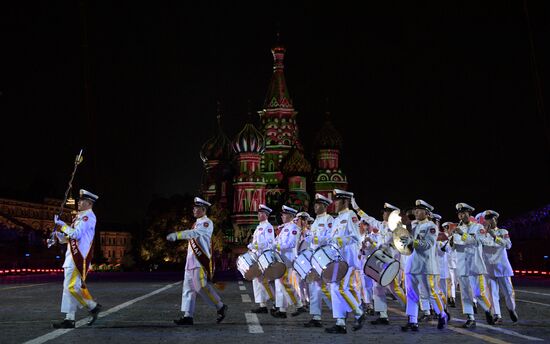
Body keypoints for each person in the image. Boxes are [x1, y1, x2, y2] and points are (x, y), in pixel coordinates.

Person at [167, 197, 228, 325]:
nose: (194, 209)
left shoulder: (206, 223)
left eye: (196, 208)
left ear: (203, 209)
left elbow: (193, 234)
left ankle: (220, 306)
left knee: (200, 287)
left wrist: (178, 235)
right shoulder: (196, 223)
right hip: (191, 261)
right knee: (188, 288)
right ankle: (188, 316)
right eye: (194, 207)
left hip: (200, 261)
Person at [52, 189, 102, 328]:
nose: (78, 203)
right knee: (68, 288)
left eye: (81, 201)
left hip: (79, 257)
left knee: (71, 287)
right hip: (71, 257)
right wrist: (58, 234)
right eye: (79, 200)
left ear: (89, 203)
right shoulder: (79, 217)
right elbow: (69, 239)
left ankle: (92, 306)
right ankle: (69, 318)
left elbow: (77, 235)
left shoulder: (88, 217)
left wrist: (63, 225)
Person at [352, 199, 406, 325]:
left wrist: (375, 244)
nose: (383, 214)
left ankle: (411, 310)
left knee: (394, 289)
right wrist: (357, 208)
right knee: (377, 288)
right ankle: (383, 315)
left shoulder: (398, 227)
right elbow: (368, 218)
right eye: (384, 212)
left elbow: (389, 245)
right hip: (380, 261)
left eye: (386, 212)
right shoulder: (382, 225)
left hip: (390, 261)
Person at [401, 200, 447, 332]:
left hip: (425, 266)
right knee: (411, 294)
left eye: (419, 210)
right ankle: (412, 321)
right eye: (415, 210)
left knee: (431, 293)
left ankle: (441, 314)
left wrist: (412, 241)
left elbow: (428, 245)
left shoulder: (431, 226)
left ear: (427, 212)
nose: (416, 212)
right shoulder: (414, 225)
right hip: (411, 264)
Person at [325, 189, 365, 334]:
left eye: (337, 200)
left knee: (341, 288)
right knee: (334, 288)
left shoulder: (351, 215)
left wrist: (339, 240)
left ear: (345, 202)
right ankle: (340, 322)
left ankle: (359, 312)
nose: (335, 203)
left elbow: (356, 237)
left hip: (347, 259)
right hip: (338, 258)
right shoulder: (336, 219)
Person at [451, 202, 494, 328]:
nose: (461, 215)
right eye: (459, 213)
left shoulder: (478, 227)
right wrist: (451, 241)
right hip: (462, 265)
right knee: (465, 294)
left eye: (464, 213)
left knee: (478, 293)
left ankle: (487, 310)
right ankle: (470, 318)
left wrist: (461, 235)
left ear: (469, 214)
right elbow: (454, 247)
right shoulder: (457, 229)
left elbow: (476, 242)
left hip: (475, 265)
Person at [302, 194, 334, 327]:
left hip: (325, 256)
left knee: (329, 287)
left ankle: (342, 311)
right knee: (314, 286)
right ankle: (316, 317)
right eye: (314, 204)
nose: (315, 207)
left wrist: (315, 239)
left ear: (325, 206)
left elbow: (330, 237)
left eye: (318, 204)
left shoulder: (329, 219)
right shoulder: (315, 222)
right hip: (315, 256)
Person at [481, 210, 518, 324]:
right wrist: (487, 234)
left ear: (495, 220)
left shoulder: (503, 231)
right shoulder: (481, 233)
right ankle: (497, 315)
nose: (489, 221)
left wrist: (495, 237)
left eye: (491, 219)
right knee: (492, 294)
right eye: (487, 219)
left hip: (502, 267)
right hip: (488, 268)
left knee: (508, 292)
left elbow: (508, 245)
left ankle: (511, 309)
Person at [248, 204, 276, 313]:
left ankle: (275, 303)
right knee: (257, 281)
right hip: (257, 256)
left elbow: (268, 243)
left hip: (263, 257)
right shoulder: (259, 227)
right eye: (258, 213)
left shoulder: (268, 227)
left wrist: (254, 246)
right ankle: (262, 305)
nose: (258, 215)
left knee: (264, 281)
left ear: (266, 215)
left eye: (260, 213)